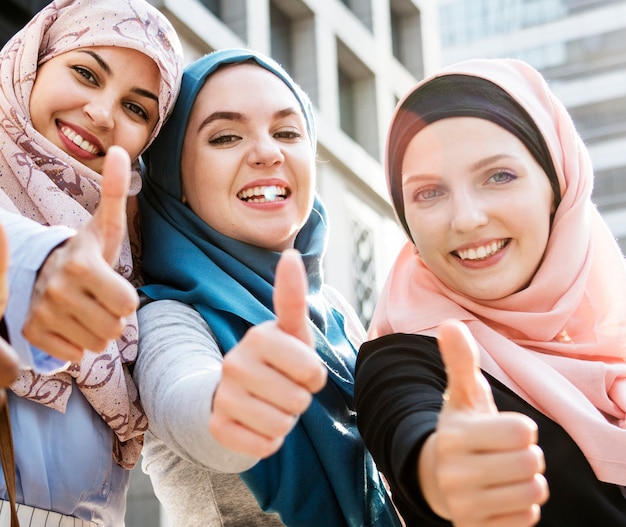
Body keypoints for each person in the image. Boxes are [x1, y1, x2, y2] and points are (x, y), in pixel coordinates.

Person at [133, 48, 402, 527]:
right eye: (226, 136)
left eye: (287, 132)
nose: (268, 152)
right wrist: (236, 402)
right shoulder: (166, 316)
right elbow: (182, 394)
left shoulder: (334, 314)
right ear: (177, 178)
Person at [353, 57, 626, 527]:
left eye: (499, 176)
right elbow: (410, 421)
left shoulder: (612, 336)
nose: (466, 219)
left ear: (558, 186)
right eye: (428, 193)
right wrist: (446, 470)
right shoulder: (407, 360)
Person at [0, 0, 182, 524]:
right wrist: (39, 266)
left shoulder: (137, 256)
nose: (102, 114)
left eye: (137, 108)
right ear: (32, 64)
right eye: (84, 73)